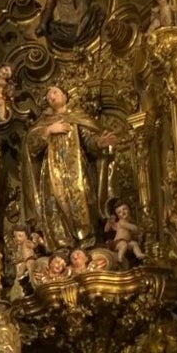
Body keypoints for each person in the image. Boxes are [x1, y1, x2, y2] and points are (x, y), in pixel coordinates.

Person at [21, 86, 117, 250]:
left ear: (65, 96)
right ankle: (62, 246)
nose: (51, 95)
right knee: (54, 205)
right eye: (48, 94)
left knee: (82, 198)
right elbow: (31, 146)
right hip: (51, 172)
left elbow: (88, 139)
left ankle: (86, 242)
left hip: (76, 169)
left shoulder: (77, 117)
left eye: (55, 91)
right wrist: (49, 130)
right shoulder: (43, 122)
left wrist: (99, 143)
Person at [105, 199, 146, 264]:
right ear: (118, 216)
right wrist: (136, 228)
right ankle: (120, 258)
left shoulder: (129, 222)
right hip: (117, 242)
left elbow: (133, 233)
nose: (123, 212)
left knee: (134, 244)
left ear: (129, 210)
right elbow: (132, 227)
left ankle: (138, 254)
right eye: (119, 212)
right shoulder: (122, 222)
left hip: (127, 242)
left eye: (124, 209)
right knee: (123, 245)